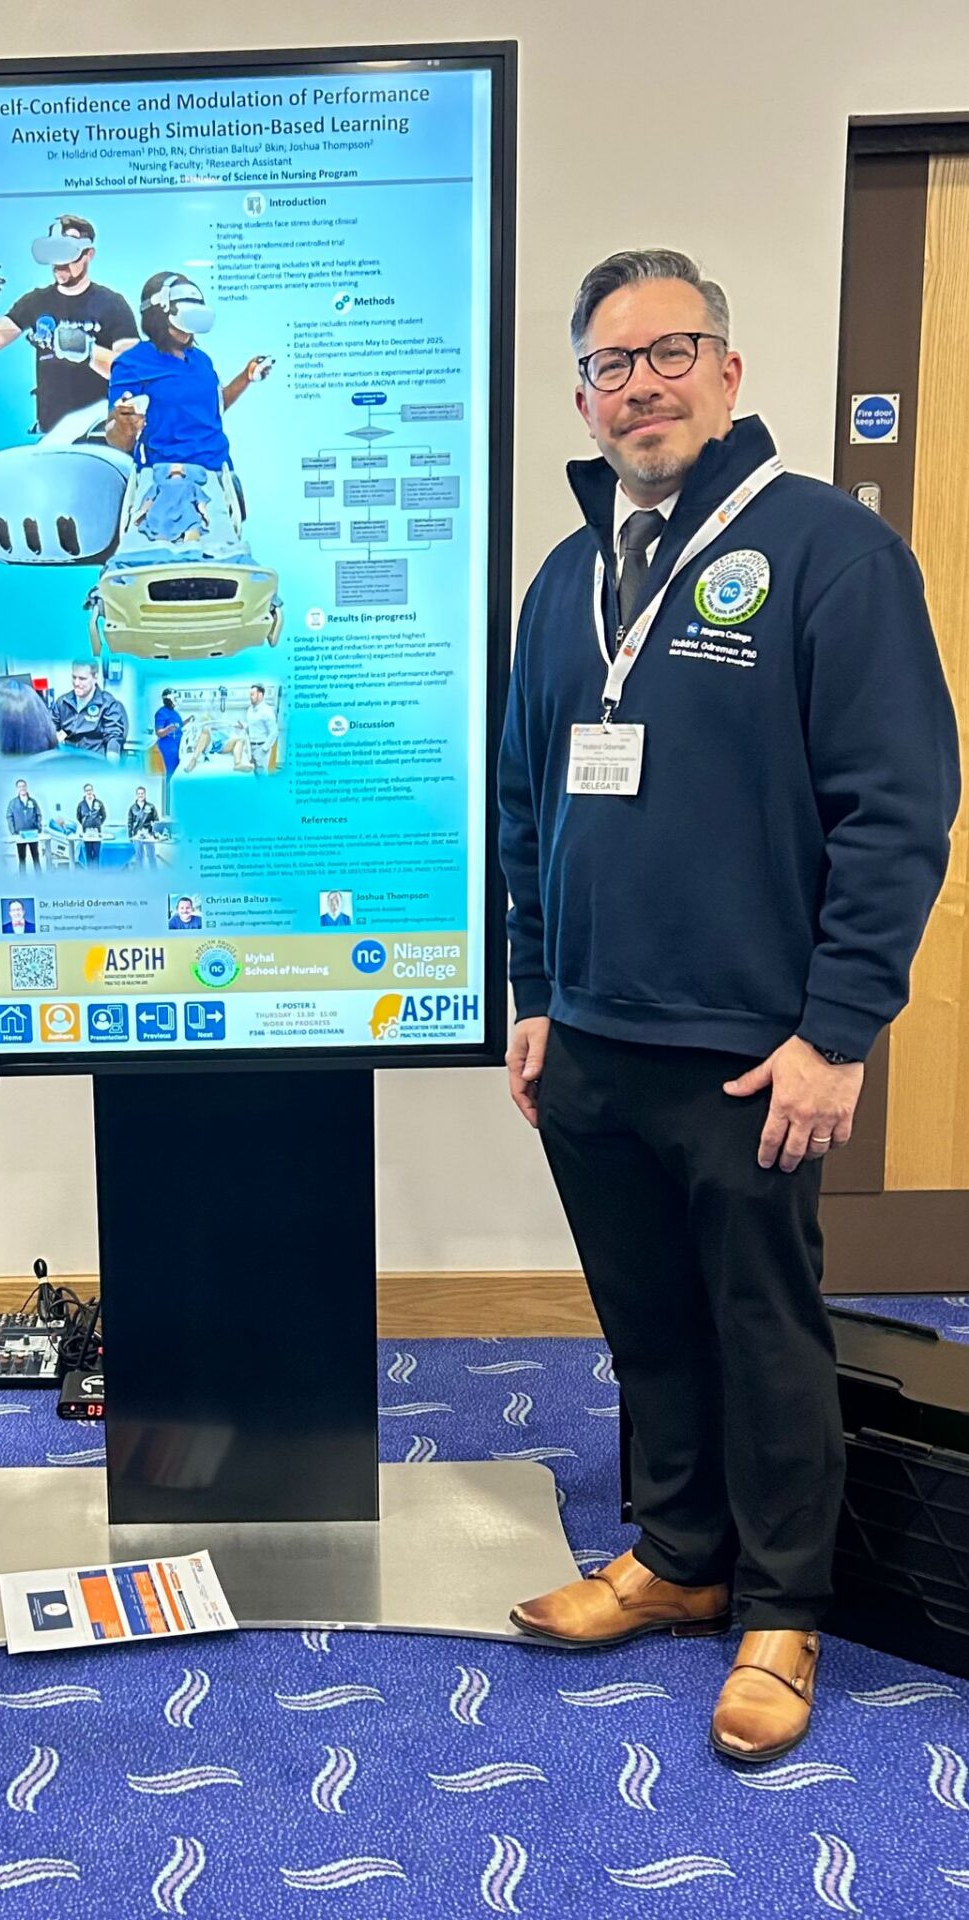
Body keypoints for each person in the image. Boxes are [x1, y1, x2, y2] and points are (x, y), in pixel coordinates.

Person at [497, 250, 958, 1766]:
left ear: (729, 371)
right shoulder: (567, 577)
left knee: (764, 1332)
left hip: (755, 1054)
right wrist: (535, 995)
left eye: (671, 350)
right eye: (612, 364)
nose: (643, 383)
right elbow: (524, 797)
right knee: (646, 1331)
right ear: (583, 395)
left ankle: (782, 1609)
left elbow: (898, 809)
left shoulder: (828, 551)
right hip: (593, 1047)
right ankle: (677, 1557)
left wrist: (838, 1031)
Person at [0, 213, 137, 434]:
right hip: (50, 435)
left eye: (69, 254)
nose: (60, 263)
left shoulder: (112, 304)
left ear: (89, 254)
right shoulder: (35, 302)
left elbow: (132, 368)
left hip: (100, 435)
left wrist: (88, 351)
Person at [106, 272, 270, 475]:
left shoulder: (201, 360)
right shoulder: (132, 363)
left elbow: (211, 410)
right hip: (166, 477)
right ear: (158, 314)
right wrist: (124, 426)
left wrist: (246, 377)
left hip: (218, 474)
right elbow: (117, 436)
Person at [51, 661, 127, 757]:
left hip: (94, 762)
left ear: (95, 678)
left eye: (82, 679)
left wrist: (111, 766)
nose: (76, 683)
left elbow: (113, 737)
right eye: (74, 677)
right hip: (67, 760)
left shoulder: (108, 704)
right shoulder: (63, 702)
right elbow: (50, 728)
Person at [134, 463, 210, 543]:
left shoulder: (191, 485)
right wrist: (142, 511)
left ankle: (191, 538)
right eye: (173, 466)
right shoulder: (160, 484)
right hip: (162, 507)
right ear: (168, 472)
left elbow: (200, 500)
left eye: (180, 466)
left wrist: (204, 512)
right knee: (157, 518)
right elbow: (149, 498)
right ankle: (162, 538)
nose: (176, 465)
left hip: (183, 506)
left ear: (184, 472)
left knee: (191, 518)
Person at [239, 682, 278, 775]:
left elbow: (274, 732)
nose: (250, 697)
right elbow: (253, 727)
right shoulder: (250, 710)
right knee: (255, 775)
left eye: (252, 694)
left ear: (260, 695)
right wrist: (243, 726)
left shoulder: (267, 711)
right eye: (250, 694)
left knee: (262, 777)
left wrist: (264, 749)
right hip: (251, 747)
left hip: (261, 748)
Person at [153, 689, 183, 805]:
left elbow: (178, 726)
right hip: (168, 746)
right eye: (174, 698)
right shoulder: (161, 713)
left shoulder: (175, 713)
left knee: (177, 773)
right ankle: (168, 804)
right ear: (168, 700)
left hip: (177, 744)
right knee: (171, 774)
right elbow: (159, 732)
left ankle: (176, 800)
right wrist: (168, 729)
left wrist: (188, 721)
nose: (176, 701)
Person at [5, 778, 42, 868]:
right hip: (20, 834)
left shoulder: (33, 802)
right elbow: (9, 817)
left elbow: (38, 814)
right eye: (20, 786)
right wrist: (13, 832)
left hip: (33, 833)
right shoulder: (13, 803)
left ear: (26, 787)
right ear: (17, 788)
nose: (22, 788)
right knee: (22, 858)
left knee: (36, 857)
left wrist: (39, 828)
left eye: (23, 786)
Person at [128, 785, 160, 867]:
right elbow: (129, 823)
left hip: (149, 835)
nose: (140, 795)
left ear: (145, 794)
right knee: (139, 857)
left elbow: (156, 821)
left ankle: (155, 876)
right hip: (137, 836)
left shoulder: (151, 807)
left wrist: (156, 834)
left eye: (142, 793)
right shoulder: (132, 808)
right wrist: (130, 836)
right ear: (136, 795)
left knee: (151, 856)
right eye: (139, 793)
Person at [76, 782, 106, 867]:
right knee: (88, 854)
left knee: (96, 854)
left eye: (90, 790)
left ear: (93, 791)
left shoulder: (99, 803)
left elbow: (104, 815)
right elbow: (78, 816)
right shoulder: (81, 804)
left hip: (96, 832)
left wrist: (98, 823)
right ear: (84, 792)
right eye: (87, 790)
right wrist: (84, 823)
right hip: (86, 832)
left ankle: (96, 874)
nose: (89, 792)